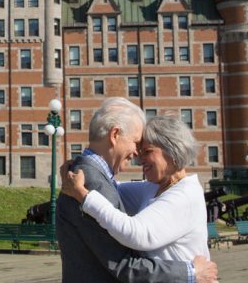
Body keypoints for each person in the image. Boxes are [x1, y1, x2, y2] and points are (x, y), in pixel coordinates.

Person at [56, 97, 217, 283]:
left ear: (172, 152)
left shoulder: (184, 194)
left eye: (147, 151)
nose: (138, 157)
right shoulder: (98, 181)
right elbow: (115, 187)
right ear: (115, 135)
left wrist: (84, 195)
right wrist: (76, 168)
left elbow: (136, 234)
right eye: (136, 144)